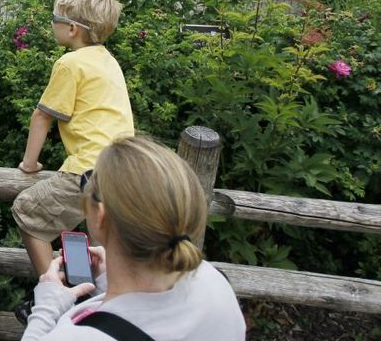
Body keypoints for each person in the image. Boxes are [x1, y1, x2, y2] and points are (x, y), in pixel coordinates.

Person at [21, 136, 246, 340]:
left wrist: (47, 308)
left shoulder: (81, 335)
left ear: (101, 216)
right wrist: (110, 278)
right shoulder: (214, 282)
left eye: (90, 181)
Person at [13, 0, 134, 320]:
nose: (51, 24)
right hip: (121, 166)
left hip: (89, 169)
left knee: (28, 213)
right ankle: (96, 302)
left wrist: (29, 162)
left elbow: (43, 116)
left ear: (72, 29)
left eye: (55, 18)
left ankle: (54, 295)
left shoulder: (70, 64)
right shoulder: (108, 60)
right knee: (96, 242)